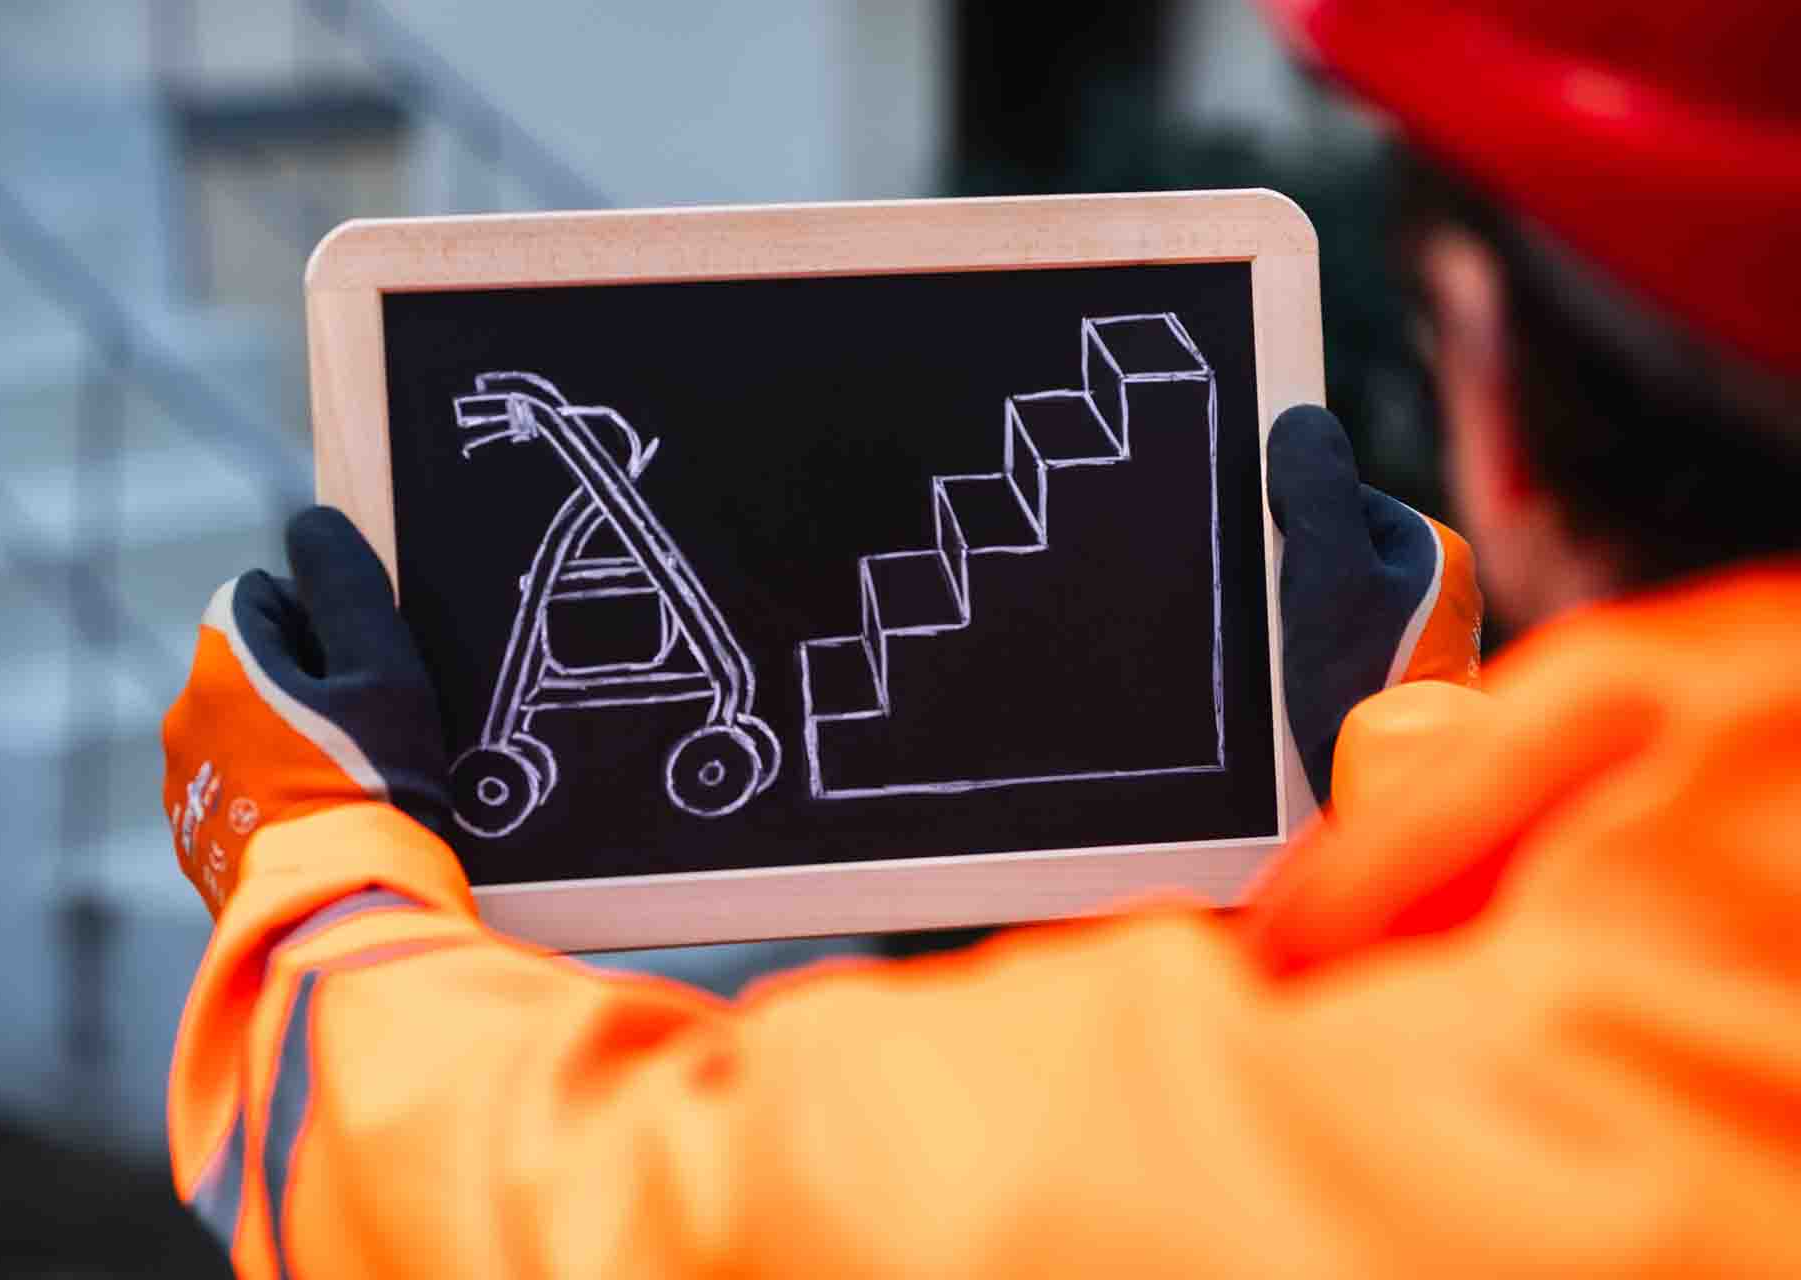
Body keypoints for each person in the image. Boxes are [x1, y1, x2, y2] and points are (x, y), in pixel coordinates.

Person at [160, 0, 1801, 1273]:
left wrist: (319, 872)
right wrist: (1426, 752)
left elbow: (555, 1206)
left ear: (1490, 389)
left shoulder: (1270, 1158)